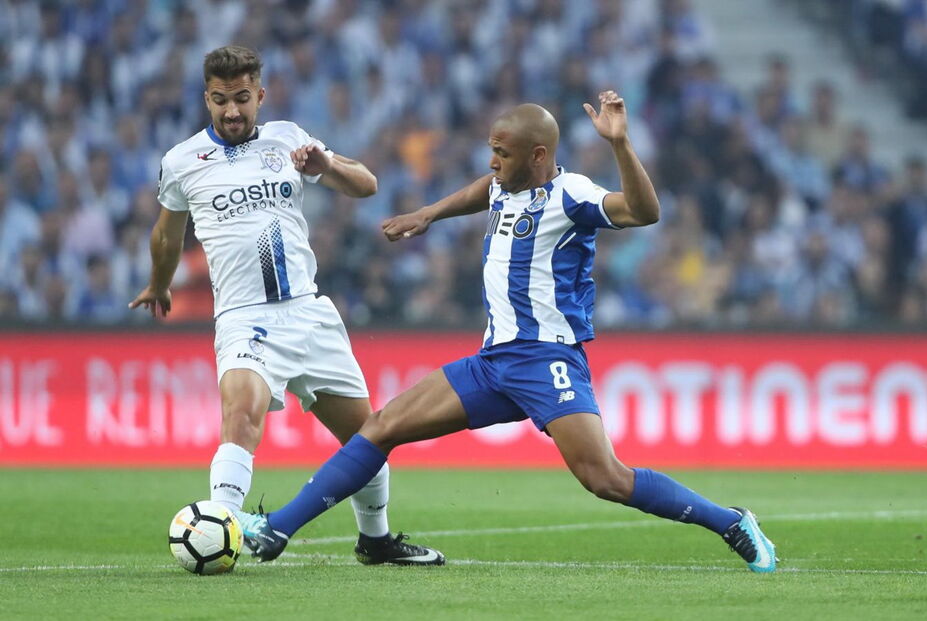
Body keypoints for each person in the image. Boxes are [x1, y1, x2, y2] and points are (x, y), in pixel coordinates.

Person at [240, 91, 778, 573]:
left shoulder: (572, 194)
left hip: (547, 361)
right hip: (493, 362)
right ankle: (278, 529)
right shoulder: (503, 185)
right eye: (492, 151)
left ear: (538, 156)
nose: (493, 162)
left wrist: (620, 144)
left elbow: (644, 211)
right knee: (381, 426)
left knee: (606, 479)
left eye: (503, 152)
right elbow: (484, 190)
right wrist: (430, 213)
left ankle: (730, 521)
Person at [129, 45, 444, 566]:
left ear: (261, 95)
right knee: (242, 416)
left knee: (369, 438)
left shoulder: (289, 139)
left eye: (243, 99)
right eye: (221, 100)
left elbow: (367, 185)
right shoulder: (182, 161)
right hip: (244, 317)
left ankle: (376, 541)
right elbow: (166, 235)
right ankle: (222, 535)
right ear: (207, 99)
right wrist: (161, 284)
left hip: (309, 315)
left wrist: (328, 164)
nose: (232, 111)